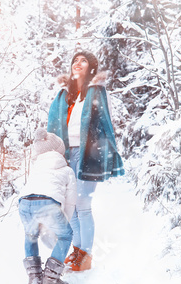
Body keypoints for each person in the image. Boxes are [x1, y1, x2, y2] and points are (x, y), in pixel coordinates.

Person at [47, 50, 125, 272]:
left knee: (83, 205)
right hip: (65, 153)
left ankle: (86, 255)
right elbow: (53, 123)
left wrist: (108, 153)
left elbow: (105, 122)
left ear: (91, 68)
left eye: (83, 61)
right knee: (69, 205)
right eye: (75, 61)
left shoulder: (97, 92)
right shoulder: (64, 95)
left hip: (87, 152)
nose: (78, 64)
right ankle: (77, 251)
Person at [18, 128, 77, 284]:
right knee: (66, 235)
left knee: (31, 235)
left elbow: (35, 194)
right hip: (48, 203)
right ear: (59, 152)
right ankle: (51, 281)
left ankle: (34, 278)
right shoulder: (66, 170)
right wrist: (62, 224)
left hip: (24, 202)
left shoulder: (36, 167)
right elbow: (70, 202)